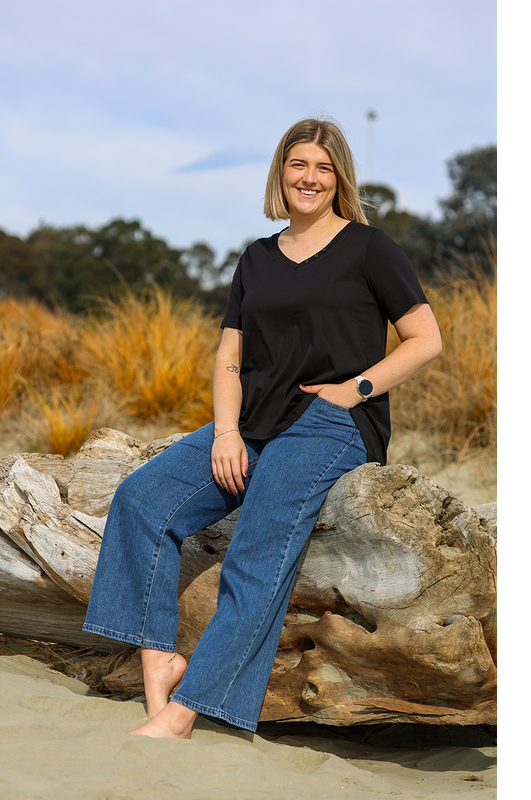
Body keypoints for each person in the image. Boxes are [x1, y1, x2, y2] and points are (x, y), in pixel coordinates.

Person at [82, 117, 442, 739]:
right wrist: (225, 433)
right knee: (142, 500)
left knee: (256, 549)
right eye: (299, 165)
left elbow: (425, 339)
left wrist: (352, 391)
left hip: (330, 424)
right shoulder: (256, 258)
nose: (310, 178)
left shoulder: (369, 247)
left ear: (340, 180)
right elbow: (229, 355)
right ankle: (157, 664)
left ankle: (187, 712)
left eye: (324, 168)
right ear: (281, 172)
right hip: (250, 421)